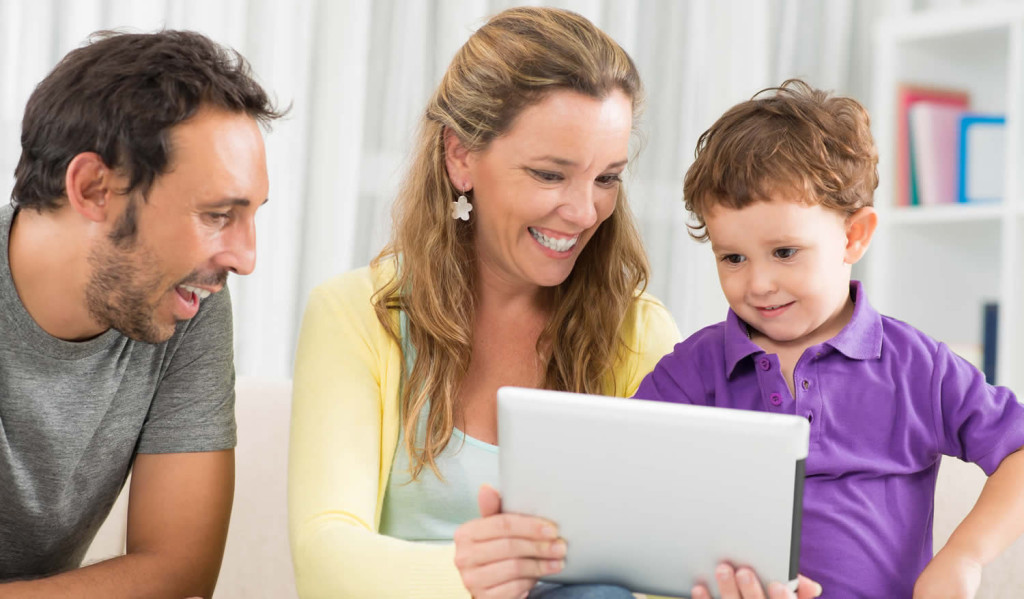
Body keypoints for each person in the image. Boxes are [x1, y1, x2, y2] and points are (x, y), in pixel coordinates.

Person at [288, 7, 686, 598]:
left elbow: (662, 565)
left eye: (607, 178)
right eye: (551, 175)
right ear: (461, 156)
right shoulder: (355, 315)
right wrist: (482, 577)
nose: (583, 213)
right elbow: (326, 559)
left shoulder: (639, 334)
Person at [634, 79, 1024, 598]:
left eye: (785, 252)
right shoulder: (696, 368)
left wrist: (964, 557)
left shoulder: (917, 366)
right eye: (733, 258)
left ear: (854, 236)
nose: (758, 283)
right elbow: (629, 467)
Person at [0, 30, 282, 597]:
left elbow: (178, 574)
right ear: (94, 187)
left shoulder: (186, 303)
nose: (245, 260)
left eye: (251, 216)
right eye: (216, 214)